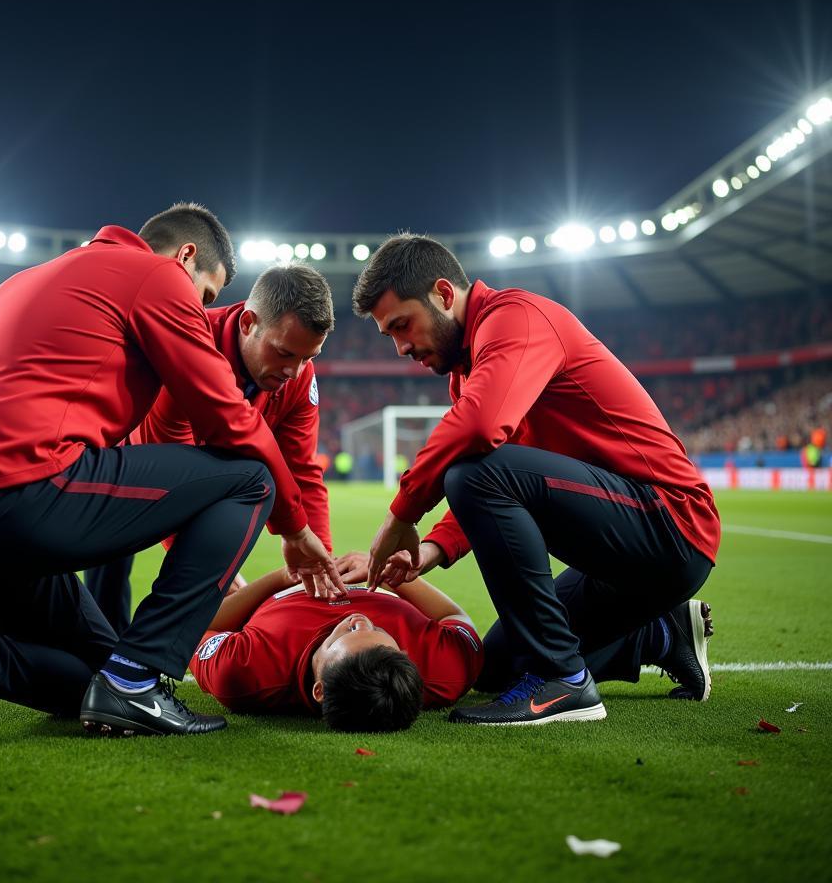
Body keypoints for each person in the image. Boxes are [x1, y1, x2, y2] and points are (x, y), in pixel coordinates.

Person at [0, 204, 343, 741]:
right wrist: (294, 528)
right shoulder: (154, 275)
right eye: (205, 296)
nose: (199, 311)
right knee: (253, 479)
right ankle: (138, 678)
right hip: (17, 495)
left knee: (97, 675)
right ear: (185, 257)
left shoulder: (31, 278)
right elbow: (228, 421)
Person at [353, 233, 720, 726]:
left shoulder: (516, 319)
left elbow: (482, 442)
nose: (400, 347)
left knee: (472, 471)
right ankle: (660, 634)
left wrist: (403, 512)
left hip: (670, 524)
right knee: (495, 666)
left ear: (443, 294)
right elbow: (503, 473)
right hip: (619, 560)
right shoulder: (471, 368)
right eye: (388, 335)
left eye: (402, 325)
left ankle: (563, 680)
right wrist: (429, 552)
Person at [85, 262, 336, 634]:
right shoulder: (189, 346)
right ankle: (112, 655)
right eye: (284, 353)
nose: (294, 372)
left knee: (253, 478)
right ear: (249, 323)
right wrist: (207, 567)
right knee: (111, 547)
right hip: (129, 454)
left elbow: (302, 471)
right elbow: (170, 476)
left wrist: (320, 561)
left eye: (308, 358)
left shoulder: (299, 378)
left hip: (216, 465)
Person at [189, 551, 483, 731]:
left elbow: (194, 630)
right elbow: (454, 616)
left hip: (280, 590)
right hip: (370, 572)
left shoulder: (247, 671)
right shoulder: (444, 670)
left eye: (348, 634)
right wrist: (390, 575)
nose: (359, 618)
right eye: (379, 631)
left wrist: (281, 578)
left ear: (319, 690)